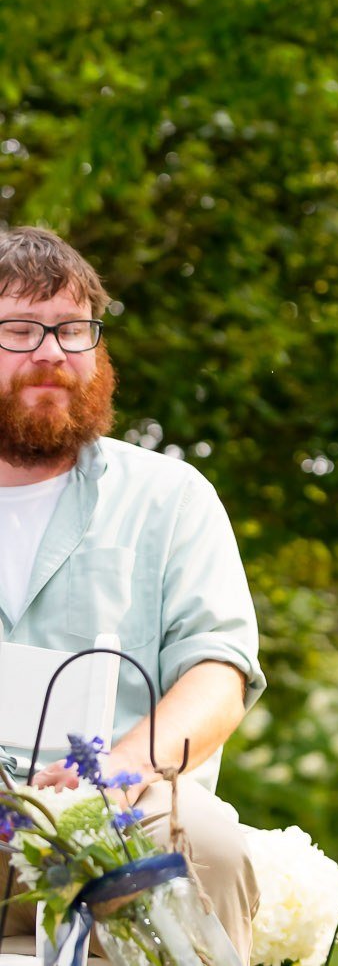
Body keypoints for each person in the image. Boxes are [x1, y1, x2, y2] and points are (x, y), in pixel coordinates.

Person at [0, 227, 263, 959]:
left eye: (73, 329)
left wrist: (111, 776)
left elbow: (219, 673)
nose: (51, 351)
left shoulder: (169, 496)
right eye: (20, 329)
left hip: (124, 809)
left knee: (204, 849)